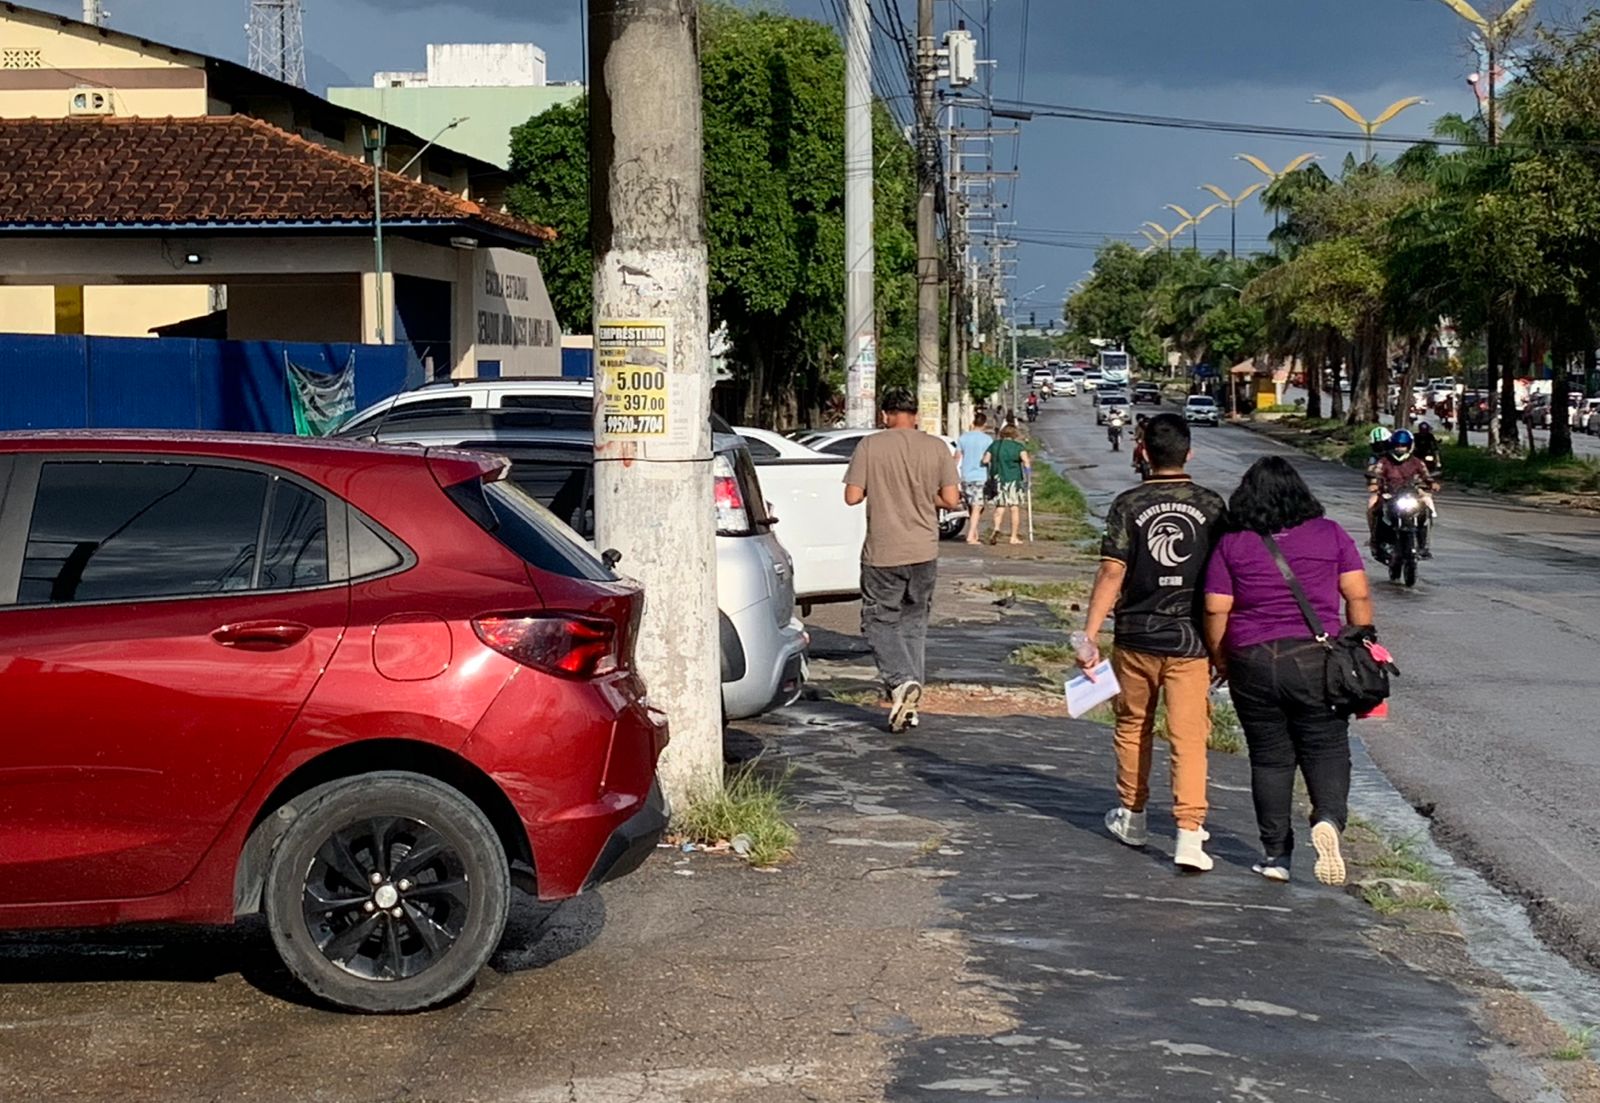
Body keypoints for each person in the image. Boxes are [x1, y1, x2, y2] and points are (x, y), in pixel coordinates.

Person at [1203, 457, 1374, 885]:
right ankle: (1328, 819)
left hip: (1253, 660)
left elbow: (1216, 607)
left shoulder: (1232, 543)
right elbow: (1357, 594)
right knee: (1327, 746)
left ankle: (1276, 856)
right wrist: (1360, 644)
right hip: (1317, 659)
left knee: (1270, 758)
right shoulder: (1330, 533)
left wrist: (1221, 658)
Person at [1078, 413, 1227, 871]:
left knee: (1132, 726)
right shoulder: (1212, 506)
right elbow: (1223, 582)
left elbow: (1112, 571)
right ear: (1189, 453)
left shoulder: (1128, 504)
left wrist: (1089, 636)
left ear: (1142, 451)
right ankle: (1189, 834)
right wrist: (1224, 646)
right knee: (1189, 737)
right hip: (1191, 641)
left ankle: (1133, 816)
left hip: (1136, 636)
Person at [844, 388, 963, 733]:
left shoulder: (870, 445)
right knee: (914, 623)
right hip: (924, 550)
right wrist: (924, 496)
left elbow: (852, 496)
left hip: (883, 552)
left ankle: (900, 682)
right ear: (916, 415)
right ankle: (910, 702)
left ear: (885, 414)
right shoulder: (937, 447)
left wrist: (880, 489)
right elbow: (951, 499)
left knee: (879, 621)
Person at [1368, 429, 1439, 559]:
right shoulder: (1384, 461)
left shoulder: (1416, 462)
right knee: (1373, 505)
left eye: (1403, 446)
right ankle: (1375, 539)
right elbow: (1376, 474)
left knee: (1427, 507)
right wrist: (1374, 484)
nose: (1400, 449)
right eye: (1397, 446)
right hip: (1390, 493)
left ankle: (1423, 545)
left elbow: (1426, 475)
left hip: (1411, 494)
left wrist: (1432, 483)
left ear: (1409, 446)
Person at [982, 424, 1032, 545]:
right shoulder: (1018, 447)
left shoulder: (995, 445)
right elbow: (1026, 462)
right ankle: (1013, 537)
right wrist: (1028, 475)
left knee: (1000, 506)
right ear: (1015, 434)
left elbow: (985, 460)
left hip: (998, 480)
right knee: (1014, 508)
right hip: (1013, 480)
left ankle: (996, 528)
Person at [956, 413, 995, 546]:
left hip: (965, 476)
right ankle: (970, 536)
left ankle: (974, 533)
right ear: (984, 424)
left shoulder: (963, 438)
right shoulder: (988, 440)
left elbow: (957, 458)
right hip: (980, 476)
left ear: (973, 423)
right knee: (977, 506)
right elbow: (989, 458)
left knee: (972, 506)